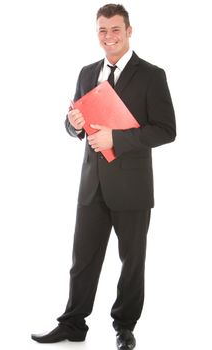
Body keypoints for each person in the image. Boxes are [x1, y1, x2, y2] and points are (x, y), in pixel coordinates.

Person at [31, 3, 176, 349]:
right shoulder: (87, 72)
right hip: (92, 184)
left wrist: (118, 139)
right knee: (82, 259)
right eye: (102, 30)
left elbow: (166, 130)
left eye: (115, 29)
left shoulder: (152, 75)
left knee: (131, 263)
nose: (108, 37)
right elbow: (72, 123)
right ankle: (73, 324)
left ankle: (124, 327)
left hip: (132, 185)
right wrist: (73, 124)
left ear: (129, 31)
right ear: (96, 33)